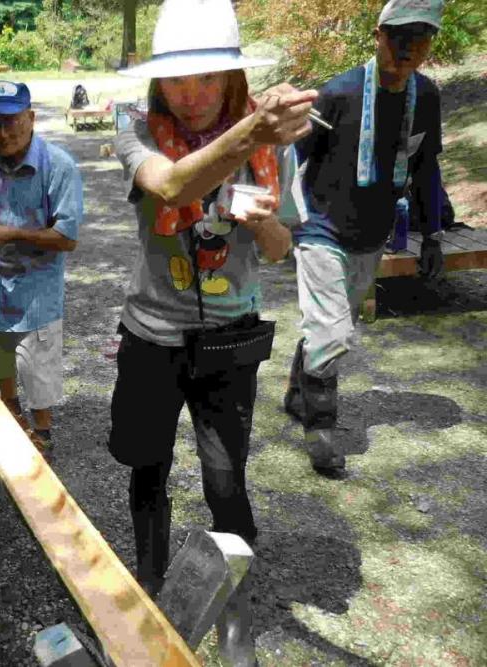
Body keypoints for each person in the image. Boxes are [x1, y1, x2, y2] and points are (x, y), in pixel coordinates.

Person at [111, 0, 316, 663]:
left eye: (208, 79)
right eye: (178, 79)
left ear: (234, 80)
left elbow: (283, 248)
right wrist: (254, 133)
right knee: (149, 466)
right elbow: (170, 187)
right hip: (151, 334)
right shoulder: (133, 126)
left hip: (229, 339)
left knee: (225, 481)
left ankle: (234, 612)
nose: (192, 96)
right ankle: (149, 582)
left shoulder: (271, 147)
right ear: (158, 81)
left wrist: (259, 220)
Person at [283, 0, 445, 478]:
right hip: (320, 228)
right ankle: (321, 428)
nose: (407, 47)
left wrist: (432, 233)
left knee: (328, 326)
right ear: (377, 34)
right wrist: (274, 219)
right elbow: (291, 158)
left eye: (420, 37)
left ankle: (298, 394)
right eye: (399, 34)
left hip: (372, 235)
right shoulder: (340, 93)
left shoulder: (427, 97)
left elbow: (426, 168)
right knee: (333, 331)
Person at [0, 81, 83, 451]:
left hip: (36, 289)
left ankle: (42, 430)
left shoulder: (58, 166)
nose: (2, 132)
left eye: (11, 121)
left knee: (37, 365)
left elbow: (67, 237)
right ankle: (11, 413)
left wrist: (10, 235)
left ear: (31, 118)